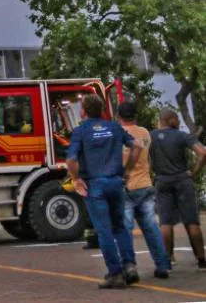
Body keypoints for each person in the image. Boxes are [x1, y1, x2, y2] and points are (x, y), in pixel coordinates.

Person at [67, 94, 143, 289]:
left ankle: (115, 274)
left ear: (83, 111)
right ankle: (130, 265)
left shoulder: (80, 131)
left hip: (95, 185)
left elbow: (71, 160)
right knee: (120, 227)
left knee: (104, 230)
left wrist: (76, 179)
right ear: (102, 110)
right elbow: (137, 145)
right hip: (116, 183)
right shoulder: (114, 127)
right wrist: (127, 171)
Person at [117, 101, 171, 279]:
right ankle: (162, 265)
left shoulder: (118, 135)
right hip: (145, 185)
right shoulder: (145, 133)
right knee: (151, 227)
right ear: (135, 115)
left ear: (119, 116)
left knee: (125, 230)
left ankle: (129, 267)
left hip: (126, 187)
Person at [149, 108, 206, 269]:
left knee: (165, 222)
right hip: (183, 180)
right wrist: (193, 172)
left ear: (160, 121)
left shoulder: (151, 137)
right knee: (191, 221)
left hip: (162, 181)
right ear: (171, 119)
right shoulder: (182, 136)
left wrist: (151, 173)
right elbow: (202, 152)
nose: (179, 122)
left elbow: (144, 158)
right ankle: (201, 259)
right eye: (177, 119)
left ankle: (168, 259)